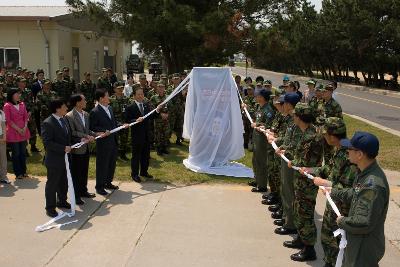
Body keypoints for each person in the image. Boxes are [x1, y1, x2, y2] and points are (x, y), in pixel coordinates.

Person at [329, 131, 389, 267]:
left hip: (362, 248)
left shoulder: (372, 185)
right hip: (357, 243)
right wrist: (334, 192)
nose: (347, 152)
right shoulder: (365, 173)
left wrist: (342, 221)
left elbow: (363, 222)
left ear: (360, 154)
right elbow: (355, 193)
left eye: (350, 149)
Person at [306, 117, 358, 267]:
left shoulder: (348, 156)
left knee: (337, 246)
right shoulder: (337, 150)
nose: (323, 136)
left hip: (342, 210)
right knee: (327, 240)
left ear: (332, 136)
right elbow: (329, 170)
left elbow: (349, 188)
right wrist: (311, 170)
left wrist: (325, 183)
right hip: (333, 206)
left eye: (325, 134)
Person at [285, 103, 323, 262]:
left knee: (305, 214)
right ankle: (302, 239)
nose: (293, 116)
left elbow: (307, 161)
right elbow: (298, 153)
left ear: (300, 117)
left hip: (306, 183)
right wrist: (288, 153)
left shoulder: (311, 136)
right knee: (299, 211)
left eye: (295, 115)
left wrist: (294, 161)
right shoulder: (304, 132)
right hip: (300, 180)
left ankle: (309, 249)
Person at [267, 92, 301, 235]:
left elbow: (295, 142)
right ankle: (287, 218)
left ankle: (290, 224)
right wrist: (281, 145)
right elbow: (288, 139)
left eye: (284, 103)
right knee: (285, 190)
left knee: (289, 192)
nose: (282, 105)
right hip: (286, 157)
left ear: (289, 105)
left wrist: (280, 144)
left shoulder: (295, 120)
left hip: (291, 161)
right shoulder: (291, 119)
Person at [90, 89, 129, 195]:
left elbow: (114, 123)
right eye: (107, 96)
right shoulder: (95, 111)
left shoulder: (110, 108)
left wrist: (122, 125)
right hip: (103, 142)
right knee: (102, 164)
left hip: (113, 140)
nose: (110, 98)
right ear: (101, 98)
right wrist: (102, 131)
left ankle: (108, 182)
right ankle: (99, 186)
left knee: (111, 163)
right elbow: (92, 127)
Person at [41, 98, 71, 218]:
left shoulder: (64, 120)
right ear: (58, 108)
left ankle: (62, 201)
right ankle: (50, 207)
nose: (67, 108)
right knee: (52, 184)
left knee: (64, 182)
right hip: (54, 159)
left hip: (65, 158)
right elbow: (47, 143)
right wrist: (63, 148)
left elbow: (68, 137)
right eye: (65, 106)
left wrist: (81, 140)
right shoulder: (48, 123)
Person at [65, 94, 97, 205]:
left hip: (86, 148)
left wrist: (96, 134)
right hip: (77, 149)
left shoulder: (86, 114)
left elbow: (88, 130)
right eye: (84, 100)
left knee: (84, 171)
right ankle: (76, 195)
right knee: (77, 173)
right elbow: (72, 132)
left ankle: (84, 191)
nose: (86, 101)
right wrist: (85, 136)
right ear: (78, 103)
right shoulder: (69, 116)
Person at [125, 88, 160, 182]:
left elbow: (152, 116)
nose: (140, 96)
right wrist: (135, 120)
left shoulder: (146, 105)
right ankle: (134, 174)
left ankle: (144, 172)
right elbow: (127, 120)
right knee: (136, 156)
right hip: (137, 136)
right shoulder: (130, 107)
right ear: (134, 96)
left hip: (146, 135)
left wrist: (157, 110)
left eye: (142, 94)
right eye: (138, 94)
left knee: (146, 155)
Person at [250, 89, 275, 193]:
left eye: (258, 96)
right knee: (255, 160)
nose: (256, 97)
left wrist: (258, 125)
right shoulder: (260, 107)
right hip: (256, 136)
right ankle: (257, 180)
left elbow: (270, 126)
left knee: (261, 161)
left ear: (263, 97)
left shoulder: (268, 110)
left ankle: (262, 185)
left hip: (263, 139)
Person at [3, 88, 30, 179]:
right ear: (11, 95)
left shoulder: (22, 104)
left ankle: (24, 171)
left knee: (23, 153)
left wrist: (25, 127)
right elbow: (8, 120)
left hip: (23, 132)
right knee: (16, 153)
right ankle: (18, 173)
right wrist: (18, 129)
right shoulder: (7, 105)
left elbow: (26, 117)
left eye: (19, 94)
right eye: (16, 94)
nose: (19, 95)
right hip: (13, 132)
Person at [110, 82, 130, 161]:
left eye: (121, 88)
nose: (120, 90)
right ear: (114, 89)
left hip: (124, 123)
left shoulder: (126, 99)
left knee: (124, 140)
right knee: (115, 140)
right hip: (115, 124)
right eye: (118, 88)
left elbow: (128, 110)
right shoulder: (111, 100)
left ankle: (123, 154)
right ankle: (115, 155)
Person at [150, 82, 170, 156]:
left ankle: (164, 148)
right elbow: (151, 108)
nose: (161, 89)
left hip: (166, 119)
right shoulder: (154, 97)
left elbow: (171, 107)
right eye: (159, 87)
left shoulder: (168, 97)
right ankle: (159, 149)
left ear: (164, 88)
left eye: (162, 87)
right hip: (158, 119)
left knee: (166, 133)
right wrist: (160, 114)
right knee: (158, 134)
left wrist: (168, 114)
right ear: (157, 88)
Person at [0, 108, 9, 184]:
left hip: (1, 137)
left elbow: (3, 125)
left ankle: (3, 177)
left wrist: (4, 137)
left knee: (3, 158)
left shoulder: (1, 112)